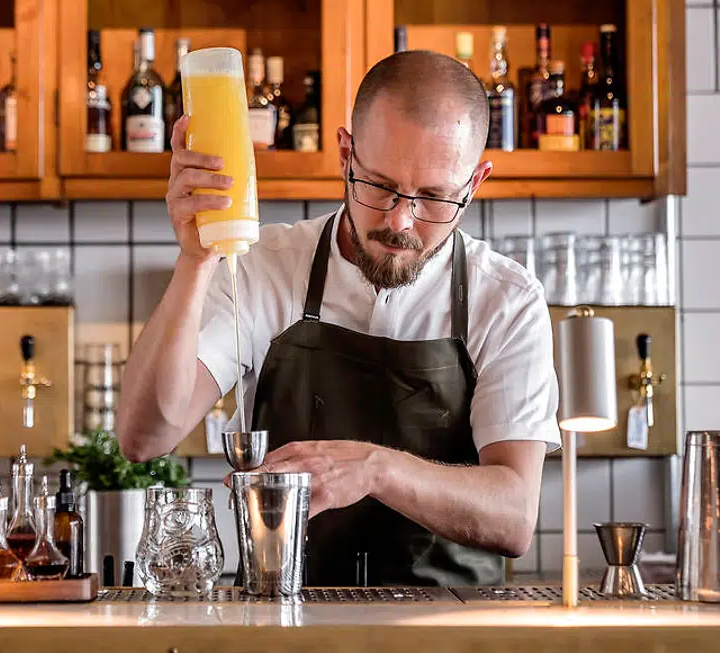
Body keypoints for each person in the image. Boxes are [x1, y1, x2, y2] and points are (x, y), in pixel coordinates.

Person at [117, 49, 560, 586]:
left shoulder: (507, 299)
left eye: (435, 197)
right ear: (346, 155)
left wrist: (376, 469)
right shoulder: (264, 266)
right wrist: (196, 260)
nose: (401, 221)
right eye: (380, 186)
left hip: (451, 630)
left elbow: (514, 516)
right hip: (283, 621)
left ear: (475, 183)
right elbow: (145, 438)